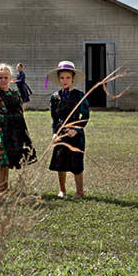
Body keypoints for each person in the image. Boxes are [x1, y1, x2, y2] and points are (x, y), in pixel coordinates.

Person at [0, 63, 35, 193]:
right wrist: (5, 119)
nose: (3, 80)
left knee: (8, 157)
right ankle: (0, 188)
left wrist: (17, 120)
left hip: (14, 129)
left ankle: (5, 187)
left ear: (10, 78)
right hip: (0, 130)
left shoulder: (15, 93)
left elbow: (20, 109)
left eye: (5, 78)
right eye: (0, 78)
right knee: (0, 159)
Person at [48, 60, 89, 199]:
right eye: (62, 78)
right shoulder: (55, 97)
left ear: (72, 78)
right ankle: (62, 190)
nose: (64, 80)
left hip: (76, 135)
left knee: (76, 162)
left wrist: (76, 129)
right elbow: (54, 118)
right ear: (58, 79)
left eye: (67, 78)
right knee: (60, 162)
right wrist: (55, 133)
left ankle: (80, 192)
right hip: (61, 134)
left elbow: (85, 116)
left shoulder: (79, 95)